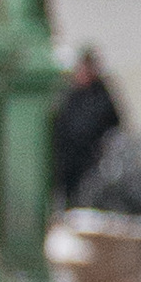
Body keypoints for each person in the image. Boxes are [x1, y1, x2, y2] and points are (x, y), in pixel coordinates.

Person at [51, 47, 124, 207]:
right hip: (66, 160)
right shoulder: (69, 94)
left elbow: (114, 126)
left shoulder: (102, 96)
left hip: (90, 161)